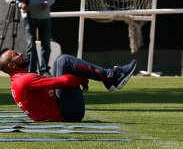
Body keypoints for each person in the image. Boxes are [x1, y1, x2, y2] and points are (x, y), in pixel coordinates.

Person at [0, 47, 137, 122]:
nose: (21, 53)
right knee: (64, 60)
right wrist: (82, 77)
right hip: (67, 114)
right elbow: (65, 82)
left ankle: (109, 77)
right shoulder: (23, 80)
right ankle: (110, 76)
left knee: (61, 61)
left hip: (60, 109)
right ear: (12, 65)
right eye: (16, 54)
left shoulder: (19, 79)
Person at [5, 0, 57, 75]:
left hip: (44, 17)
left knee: (46, 45)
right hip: (29, 17)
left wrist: (47, 3)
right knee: (30, 45)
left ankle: (44, 70)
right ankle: (32, 71)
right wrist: (20, 5)